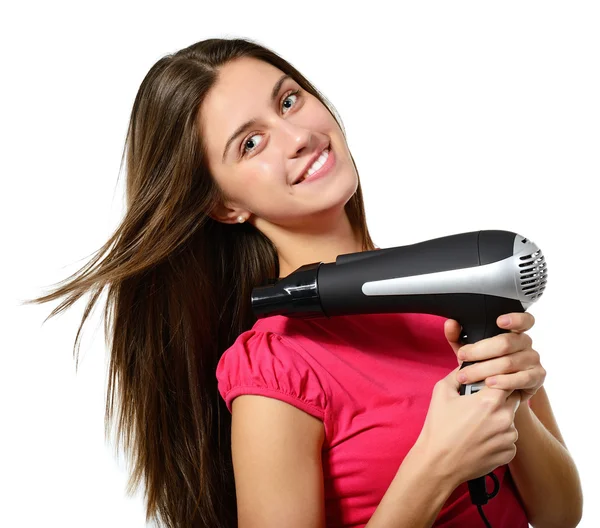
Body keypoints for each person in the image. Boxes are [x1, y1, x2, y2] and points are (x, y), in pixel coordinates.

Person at [32, 37, 583, 528]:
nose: (297, 137)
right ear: (224, 205)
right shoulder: (276, 365)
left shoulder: (453, 292)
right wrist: (436, 467)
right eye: (250, 143)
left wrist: (511, 403)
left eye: (288, 100)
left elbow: (560, 514)